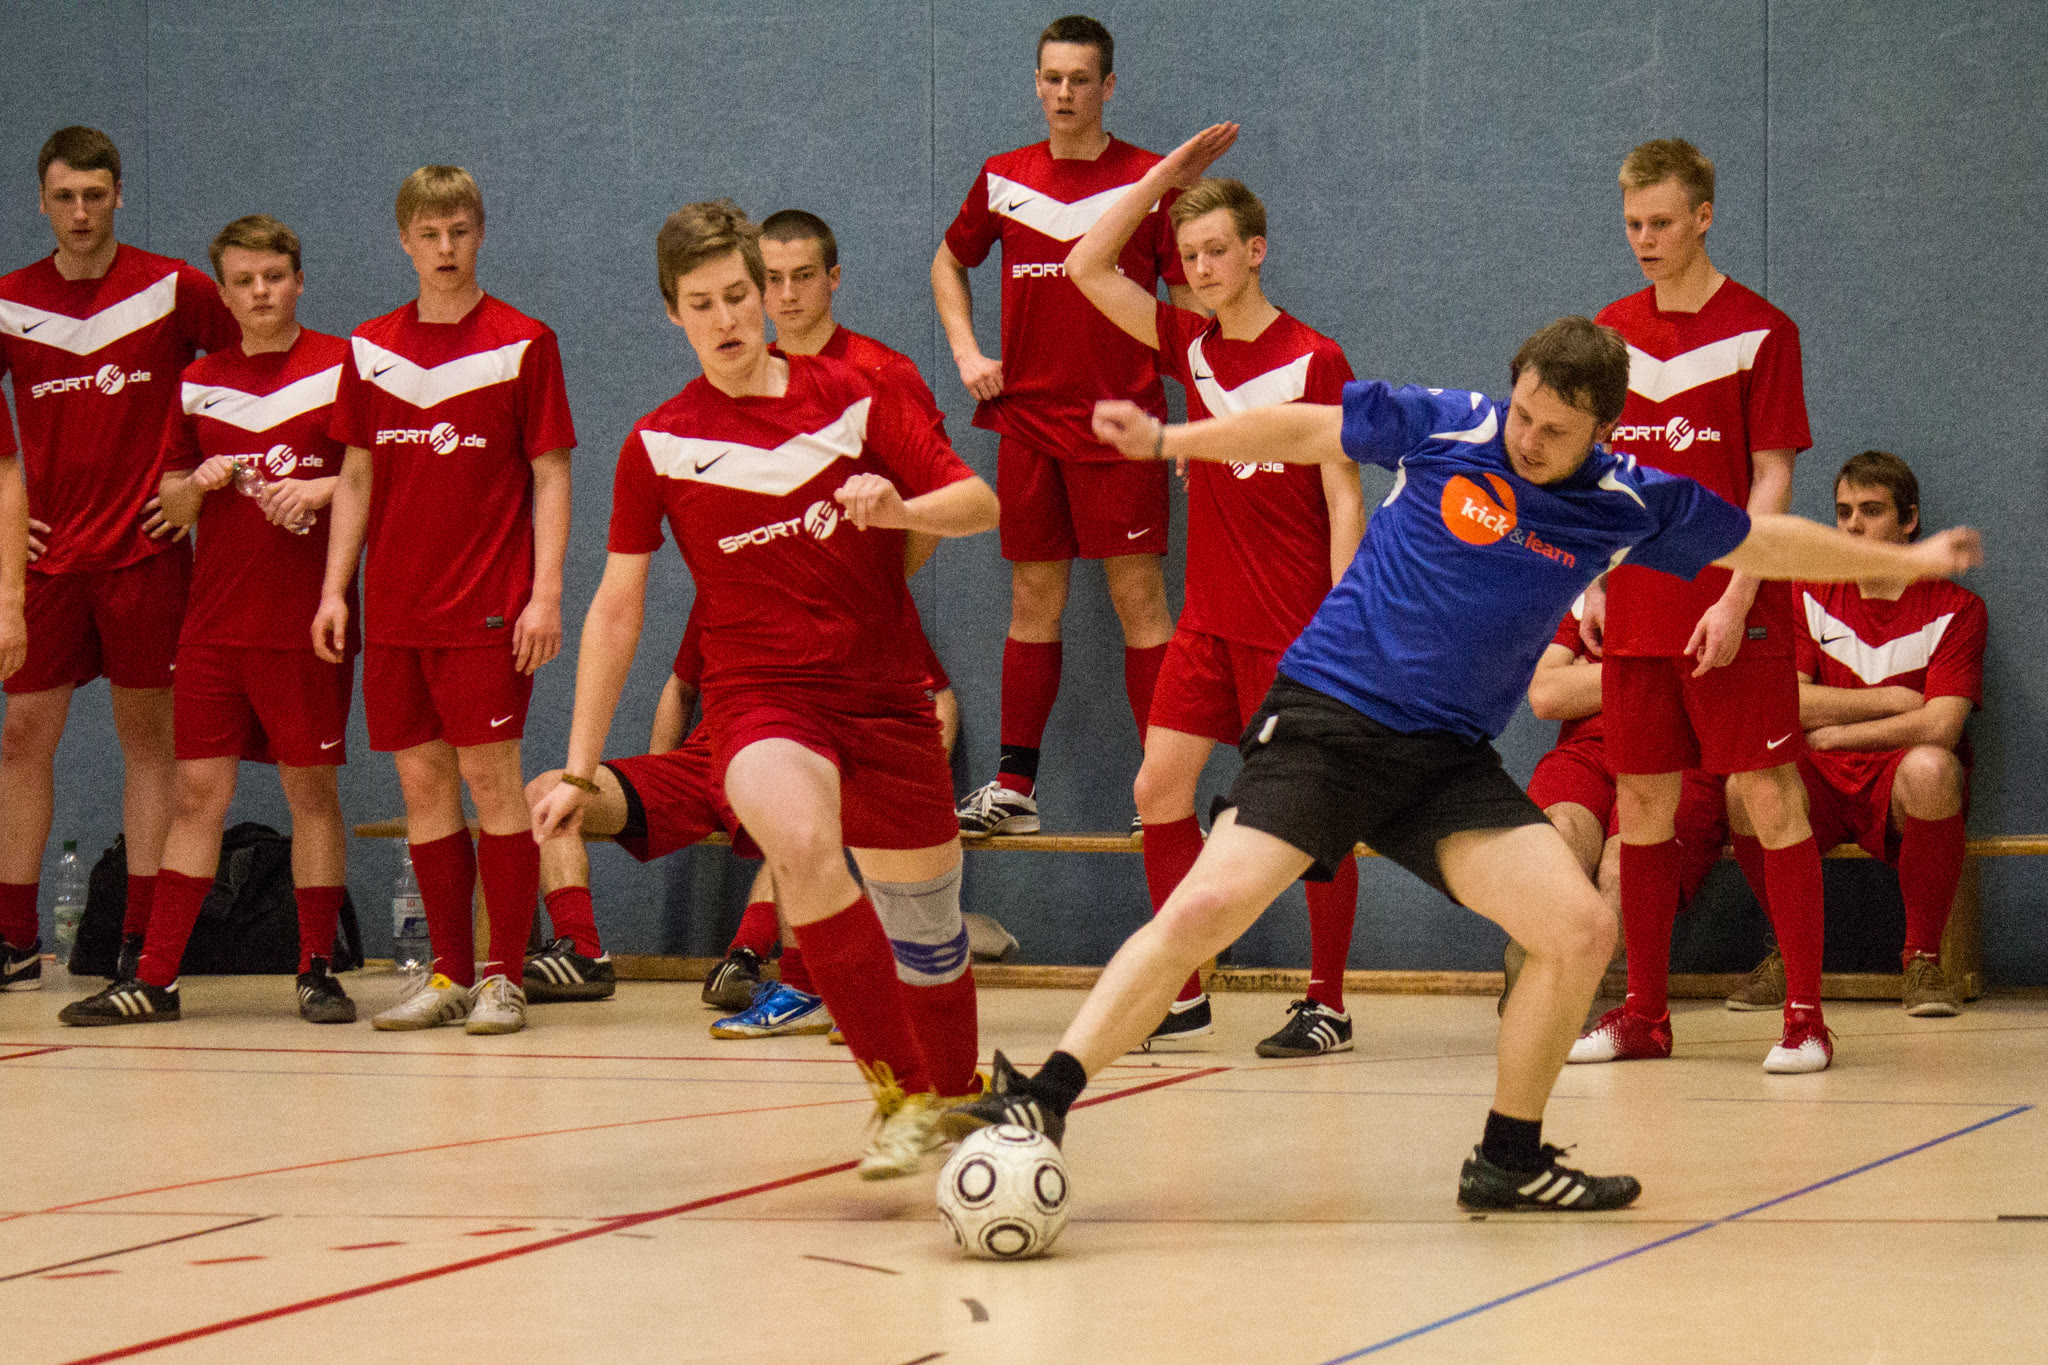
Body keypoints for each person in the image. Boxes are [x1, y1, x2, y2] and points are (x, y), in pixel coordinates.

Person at [943, 313, 1982, 1212]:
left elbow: (1764, 543)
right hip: (1332, 719)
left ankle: (1508, 1159)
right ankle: (1042, 1095)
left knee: (1577, 928)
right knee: (1207, 909)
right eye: (1524, 413)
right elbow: (1306, 428)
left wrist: (1902, 560)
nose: (1528, 439)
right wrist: (1173, 436)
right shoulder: (1450, 425)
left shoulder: (1626, 501)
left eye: (1554, 431)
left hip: (1443, 758)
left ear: (1602, 432)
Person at [529, 201, 998, 1179]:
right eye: (700, 303)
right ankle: (901, 1092)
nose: (726, 317)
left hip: (886, 698)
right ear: (673, 314)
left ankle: (951, 1092)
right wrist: (577, 766)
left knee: (929, 936)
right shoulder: (658, 444)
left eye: (738, 295)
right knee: (801, 842)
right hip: (759, 703)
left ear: (767, 295)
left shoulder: (856, 396)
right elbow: (615, 609)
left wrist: (900, 508)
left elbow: (978, 503)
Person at [1063, 124, 1365, 1054]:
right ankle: (1184, 987)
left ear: (1256, 251)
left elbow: (1344, 494)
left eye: (1216, 251)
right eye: (1189, 255)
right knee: (1159, 786)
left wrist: (1347, 621)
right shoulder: (1190, 345)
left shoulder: (1316, 358)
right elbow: (1084, 266)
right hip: (1207, 621)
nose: (1199, 268)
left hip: (1294, 625)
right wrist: (1161, 179)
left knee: (1315, 817)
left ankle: (1328, 1003)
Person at [1576, 137, 1835, 1073]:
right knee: (1641, 802)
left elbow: (1773, 479)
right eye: (1631, 224)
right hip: (1639, 607)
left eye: (1661, 223)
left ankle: (1806, 1017)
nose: (1644, 240)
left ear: (1704, 217)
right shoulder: (1608, 334)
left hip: (1735, 607)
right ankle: (1645, 1015)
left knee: (1767, 794)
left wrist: (1735, 596)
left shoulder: (1763, 331)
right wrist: (1592, 577)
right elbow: (1591, 472)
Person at [59, 216, 358, 1025]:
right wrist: (200, 482)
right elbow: (171, 500)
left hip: (304, 623)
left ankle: (317, 968)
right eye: (244, 281)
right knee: (197, 793)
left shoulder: (343, 367)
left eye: (274, 276)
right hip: (214, 625)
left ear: (299, 280)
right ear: (222, 295)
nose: (261, 292)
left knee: (311, 792)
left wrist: (322, 488)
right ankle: (155, 976)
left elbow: (382, 479)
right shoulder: (197, 381)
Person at [315, 165, 574, 1035]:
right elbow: (354, 475)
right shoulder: (370, 348)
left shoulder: (523, 342)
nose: (445, 248)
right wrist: (335, 589)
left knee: (491, 779)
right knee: (423, 784)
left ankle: (505, 975)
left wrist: (545, 593)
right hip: (396, 611)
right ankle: (452, 972)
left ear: (480, 233)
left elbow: (551, 474)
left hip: (487, 607)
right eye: (429, 234)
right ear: (404, 241)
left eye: (459, 231)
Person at [933, 14, 1196, 835]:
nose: (1064, 93)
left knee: (1139, 599)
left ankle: (1163, 794)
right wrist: (967, 352)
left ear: (1108, 86)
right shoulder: (1002, 177)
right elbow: (948, 262)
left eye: (1081, 79)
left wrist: (1202, 421)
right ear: (1036, 84)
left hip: (1125, 425)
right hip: (1029, 426)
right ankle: (1015, 788)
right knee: (1032, 598)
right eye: (1052, 78)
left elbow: (1188, 306)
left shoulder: (1151, 181)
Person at [0, 126, 236, 989]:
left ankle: (140, 938)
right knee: (22, 739)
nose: (80, 212)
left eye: (95, 195)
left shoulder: (174, 289)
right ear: (41, 201)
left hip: (148, 555)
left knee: (149, 744)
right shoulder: (9, 302)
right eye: (64, 197)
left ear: (119, 195)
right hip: (47, 564)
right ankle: (14, 940)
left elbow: (252, 375)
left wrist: (194, 480)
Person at [1723, 450, 1986, 1017]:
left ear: (1909, 521)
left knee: (1932, 768)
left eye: (1871, 510)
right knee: (1742, 787)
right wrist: (1888, 701)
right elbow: (1787, 703)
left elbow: (1940, 725)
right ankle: (1789, 956)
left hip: (1893, 779)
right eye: (1843, 512)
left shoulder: (1957, 608)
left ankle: (1923, 961)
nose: (1853, 526)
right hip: (1819, 776)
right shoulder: (1808, 594)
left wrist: (1838, 734)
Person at [1504, 603, 1729, 1014]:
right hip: (1585, 753)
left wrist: (1591, 679)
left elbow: (1720, 691)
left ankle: (1553, 993)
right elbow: (1546, 695)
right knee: (1561, 837)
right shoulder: (1594, 594)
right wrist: (1659, 671)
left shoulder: (1711, 594)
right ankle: (1549, 985)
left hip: (1680, 759)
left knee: (1622, 872)